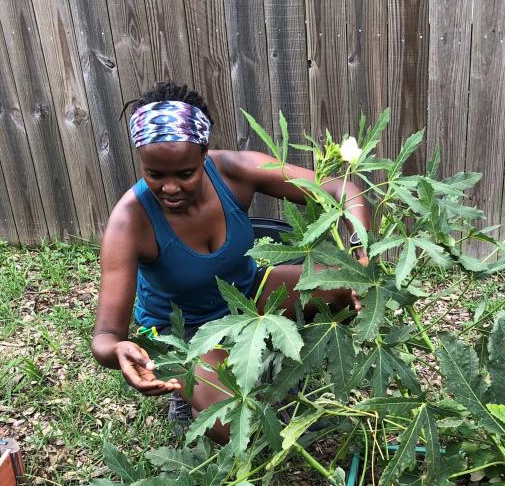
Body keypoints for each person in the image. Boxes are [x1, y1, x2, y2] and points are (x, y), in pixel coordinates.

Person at [91, 82, 371, 444]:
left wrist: (359, 247)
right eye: (155, 174)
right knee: (234, 421)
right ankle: (188, 396)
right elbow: (105, 336)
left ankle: (274, 362)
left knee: (343, 287)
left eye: (184, 173)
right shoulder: (129, 221)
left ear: (205, 152)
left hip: (247, 294)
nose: (170, 188)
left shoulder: (234, 171)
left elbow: (340, 188)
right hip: (183, 333)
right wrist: (117, 352)